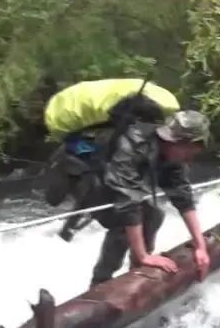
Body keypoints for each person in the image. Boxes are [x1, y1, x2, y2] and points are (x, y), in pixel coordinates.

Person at [80, 109, 212, 287]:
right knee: (124, 224)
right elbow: (128, 201)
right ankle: (100, 283)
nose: (190, 158)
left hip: (119, 184)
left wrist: (200, 246)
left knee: (154, 214)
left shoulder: (173, 155)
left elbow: (183, 196)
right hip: (89, 180)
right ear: (182, 142)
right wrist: (144, 256)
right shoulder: (133, 145)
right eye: (189, 152)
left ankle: (137, 273)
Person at [41, 78, 181, 241]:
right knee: (117, 212)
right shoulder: (103, 135)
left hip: (95, 174)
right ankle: (70, 236)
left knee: (149, 213)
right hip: (74, 170)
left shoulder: (130, 137)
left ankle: (140, 256)